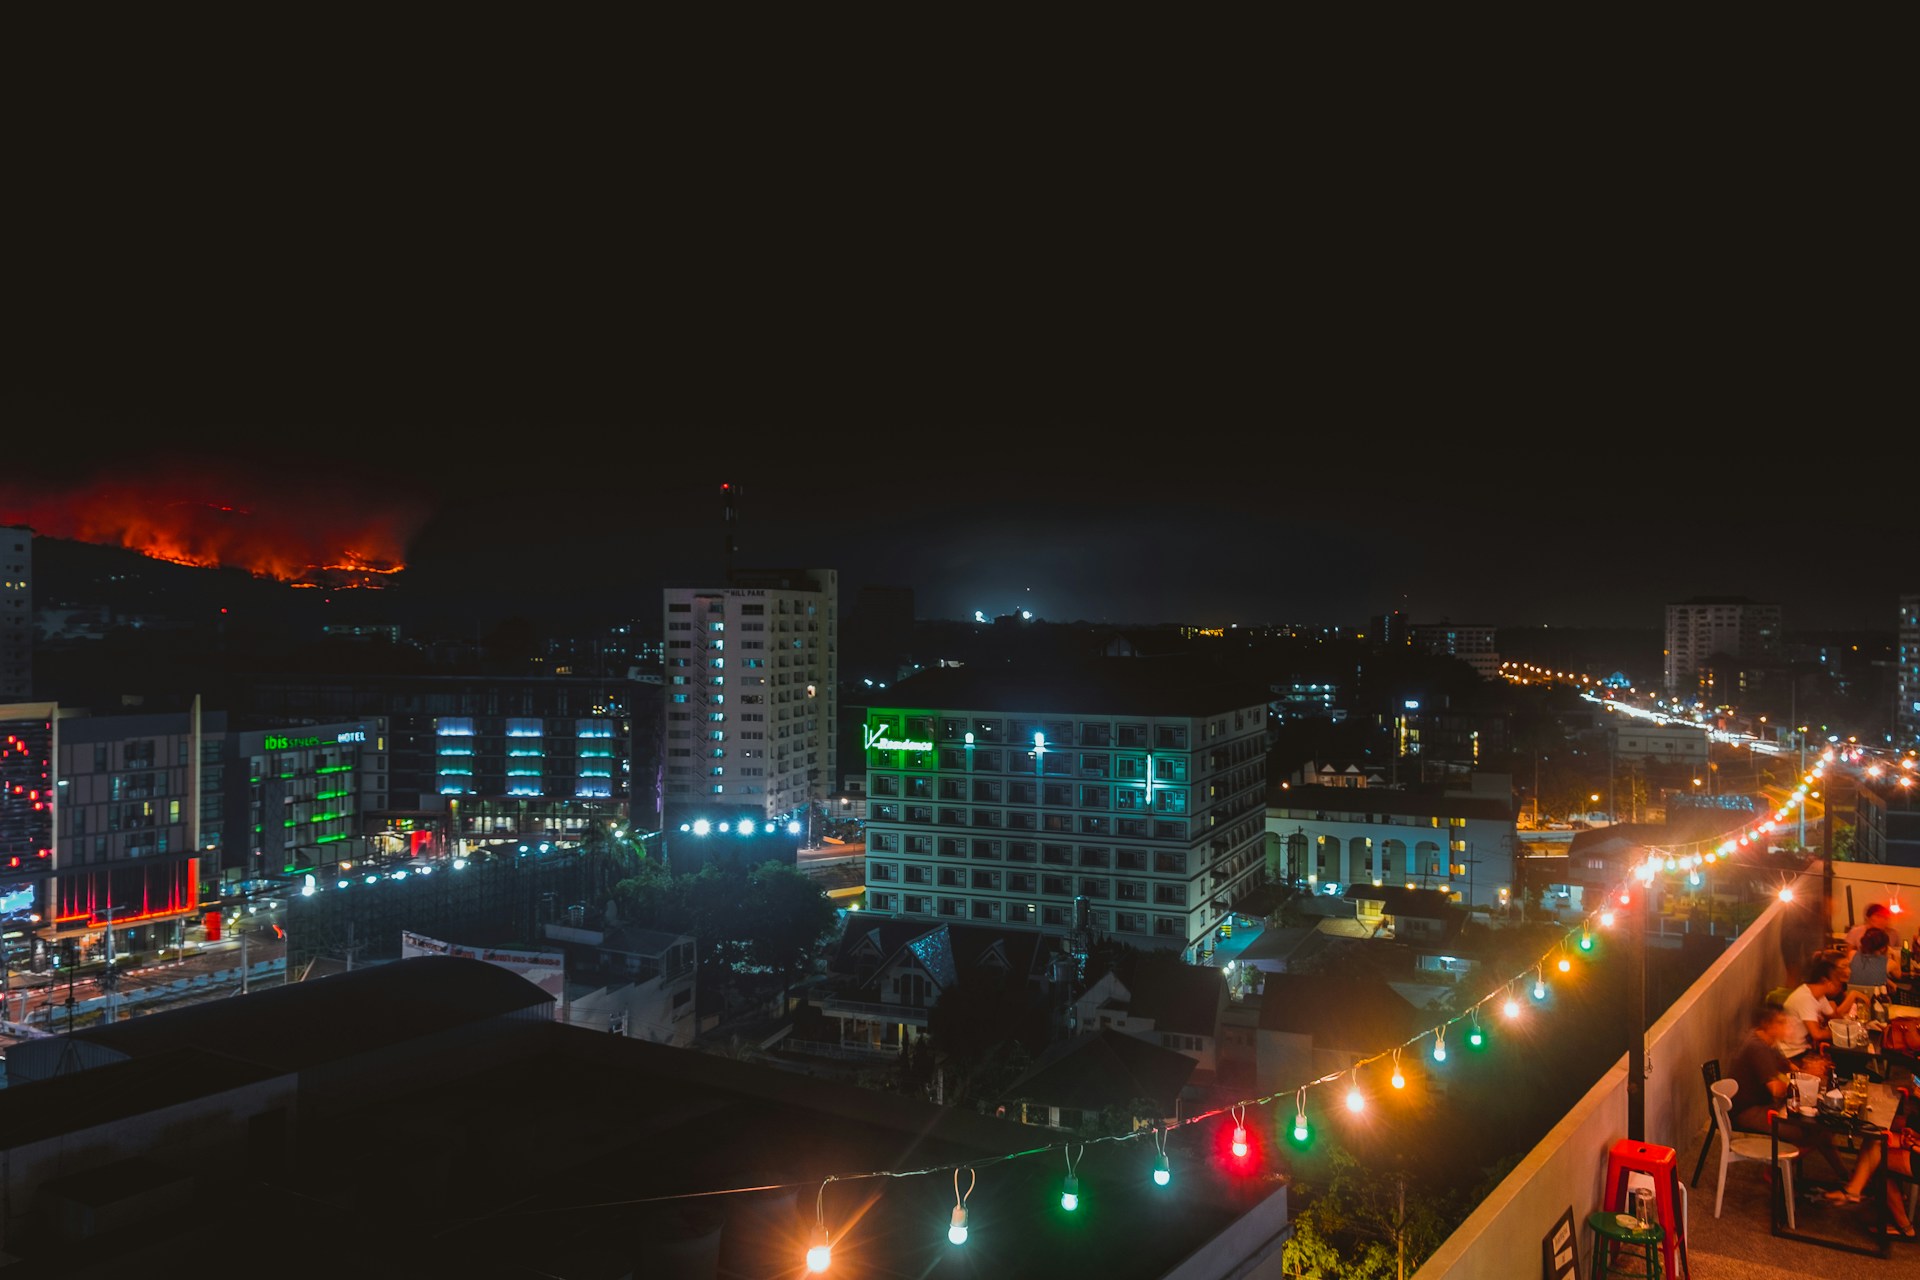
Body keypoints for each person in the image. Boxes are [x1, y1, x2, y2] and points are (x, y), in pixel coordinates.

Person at [1728, 1004, 1864, 1190]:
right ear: (1767, 1025)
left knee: (1822, 1128)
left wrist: (1804, 1071)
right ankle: (1775, 1166)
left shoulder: (1767, 1042)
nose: (1786, 1026)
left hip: (1763, 1105)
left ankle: (1845, 1177)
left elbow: (1786, 1065)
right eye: (1781, 1022)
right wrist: (1800, 1084)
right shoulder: (1757, 1047)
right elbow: (1776, 1089)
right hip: (1747, 1111)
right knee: (1808, 1131)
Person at [1781, 954, 1858, 1078]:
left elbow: (1835, 1018)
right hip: (1793, 1053)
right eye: (1836, 982)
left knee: (1848, 1062)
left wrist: (1845, 1027)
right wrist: (1844, 1033)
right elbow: (1816, 1033)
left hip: (1806, 1048)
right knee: (1843, 1067)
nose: (1838, 986)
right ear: (1826, 981)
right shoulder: (1805, 998)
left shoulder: (1819, 996)